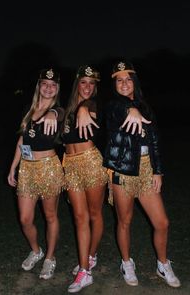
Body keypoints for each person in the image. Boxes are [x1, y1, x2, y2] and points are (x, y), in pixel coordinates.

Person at [103, 59, 181, 288]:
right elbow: (117, 110)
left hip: (146, 170)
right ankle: (127, 262)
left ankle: (162, 263)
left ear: (134, 82)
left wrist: (158, 171)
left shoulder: (146, 106)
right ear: (114, 85)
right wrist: (130, 108)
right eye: (119, 80)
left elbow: (155, 141)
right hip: (123, 172)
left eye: (128, 79)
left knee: (162, 222)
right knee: (124, 221)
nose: (124, 83)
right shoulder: (112, 107)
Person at [7, 68, 64, 280]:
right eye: (45, 84)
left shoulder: (58, 110)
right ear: (39, 86)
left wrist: (52, 112)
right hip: (27, 168)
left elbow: (61, 113)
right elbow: (22, 141)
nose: (48, 88)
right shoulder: (29, 110)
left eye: (53, 85)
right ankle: (37, 250)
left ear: (57, 89)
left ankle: (50, 258)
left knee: (50, 216)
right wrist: (13, 167)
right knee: (25, 218)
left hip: (48, 167)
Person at [61, 65, 109, 293]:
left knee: (94, 214)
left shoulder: (95, 105)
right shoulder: (68, 109)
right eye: (84, 82)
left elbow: (97, 106)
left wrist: (86, 106)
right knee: (79, 217)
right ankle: (84, 271)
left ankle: (90, 256)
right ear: (77, 84)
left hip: (90, 162)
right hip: (69, 164)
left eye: (92, 83)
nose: (88, 87)